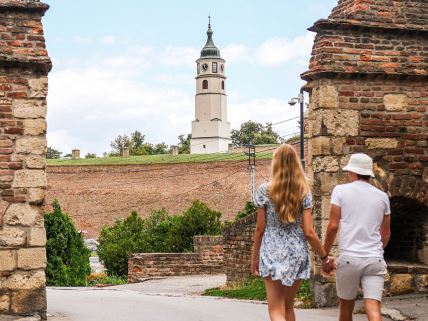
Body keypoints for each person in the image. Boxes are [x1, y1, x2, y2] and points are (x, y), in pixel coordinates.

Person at [251, 144, 330, 321]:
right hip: (297, 253)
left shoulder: (265, 190)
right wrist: (324, 257)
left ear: (275, 164)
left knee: (276, 310)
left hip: (272, 252)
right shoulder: (304, 191)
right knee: (288, 307)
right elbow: (309, 232)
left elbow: (260, 229)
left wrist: (254, 258)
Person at [323, 153, 391, 321]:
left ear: (352, 172)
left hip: (349, 259)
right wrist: (375, 250)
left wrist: (325, 255)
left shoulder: (340, 191)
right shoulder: (382, 197)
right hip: (374, 258)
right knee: (374, 307)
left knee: (346, 308)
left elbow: (332, 226)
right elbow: (386, 233)